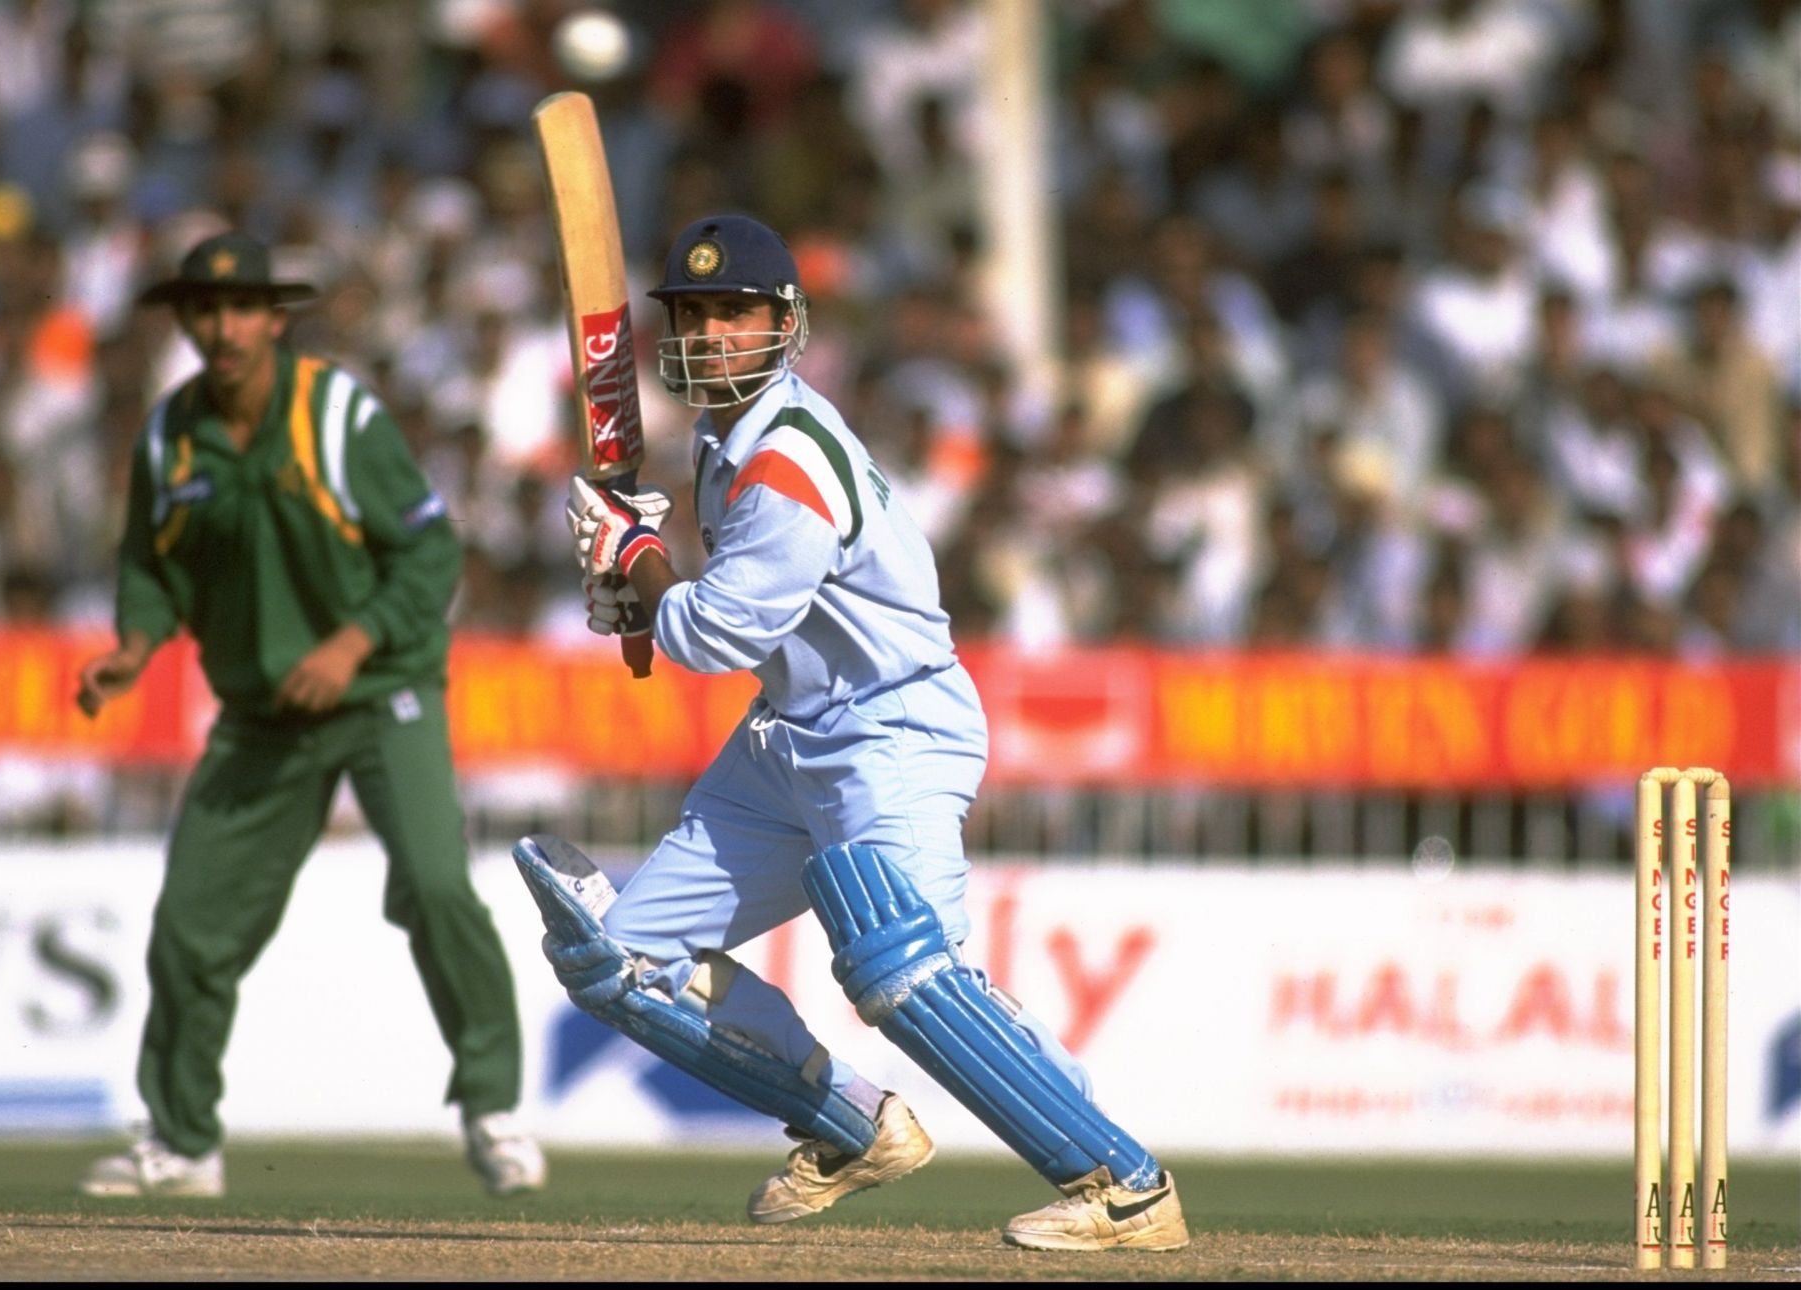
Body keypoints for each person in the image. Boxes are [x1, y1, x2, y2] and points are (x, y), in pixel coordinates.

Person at [518, 214, 1185, 1251]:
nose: (707, 333)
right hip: (788, 737)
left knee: (898, 969)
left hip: (891, 730)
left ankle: (1123, 1183)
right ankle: (850, 1128)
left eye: (732, 313)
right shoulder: (719, 441)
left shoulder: (788, 459)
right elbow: (704, 613)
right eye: (692, 315)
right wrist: (634, 581)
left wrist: (640, 560)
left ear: (787, 323)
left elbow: (712, 630)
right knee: (616, 963)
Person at [74, 232, 541, 1199]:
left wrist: (351, 644)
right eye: (205, 310)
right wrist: (133, 644)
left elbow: (432, 553)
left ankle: (493, 1106)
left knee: (435, 884)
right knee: (190, 925)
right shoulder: (170, 435)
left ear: (273, 318)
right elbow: (151, 568)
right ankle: (183, 1141)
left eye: (242, 307)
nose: (223, 326)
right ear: (187, 321)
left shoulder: (335, 415)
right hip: (260, 712)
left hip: (382, 690)